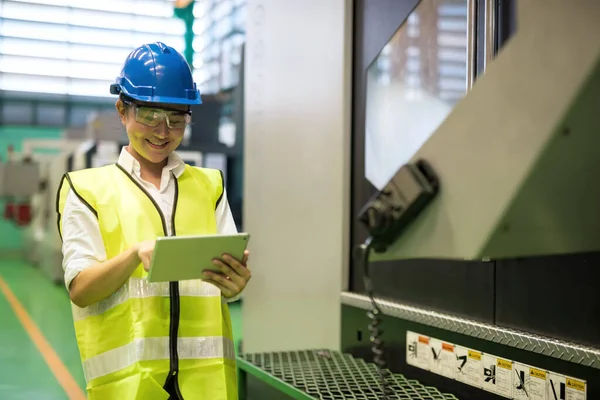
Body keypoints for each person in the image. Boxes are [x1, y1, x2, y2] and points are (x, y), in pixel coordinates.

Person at [56, 42, 251, 400]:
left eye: (177, 119)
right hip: (130, 386)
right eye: (149, 116)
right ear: (122, 110)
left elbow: (226, 282)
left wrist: (235, 287)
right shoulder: (86, 190)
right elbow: (81, 289)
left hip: (204, 385)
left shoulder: (210, 186)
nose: (163, 131)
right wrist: (134, 255)